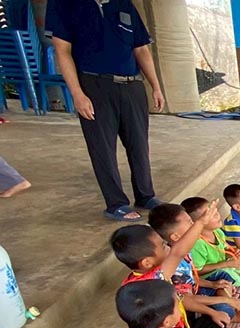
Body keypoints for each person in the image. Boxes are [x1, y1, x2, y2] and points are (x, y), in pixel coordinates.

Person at [46, 0, 165, 221]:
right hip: (94, 85)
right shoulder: (64, 4)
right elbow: (62, 51)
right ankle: (116, 203)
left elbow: (141, 49)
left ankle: (146, 196)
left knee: (139, 145)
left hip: (132, 85)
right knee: (102, 148)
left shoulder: (123, 4)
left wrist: (156, 86)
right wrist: (77, 93)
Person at [111, 220, 236, 328]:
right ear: (147, 262)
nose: (169, 247)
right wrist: (201, 222)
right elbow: (178, 253)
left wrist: (214, 311)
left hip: (184, 325)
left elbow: (182, 298)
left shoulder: (136, 282)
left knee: (217, 322)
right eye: (163, 246)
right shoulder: (152, 280)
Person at [148, 203, 240, 327]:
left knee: (222, 277)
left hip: (195, 290)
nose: (195, 225)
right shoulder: (175, 264)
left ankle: (225, 301)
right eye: (190, 223)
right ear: (175, 236)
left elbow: (190, 278)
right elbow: (185, 299)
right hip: (188, 304)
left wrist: (213, 284)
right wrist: (225, 300)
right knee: (223, 314)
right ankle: (227, 312)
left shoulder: (185, 249)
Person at [183, 197, 240, 289]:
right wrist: (226, 264)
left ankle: (238, 279)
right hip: (210, 275)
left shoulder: (218, 232)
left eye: (215, 211)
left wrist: (234, 253)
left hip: (222, 266)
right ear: (196, 223)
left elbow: (224, 250)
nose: (217, 215)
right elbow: (198, 271)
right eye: (211, 215)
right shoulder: (197, 243)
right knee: (225, 274)